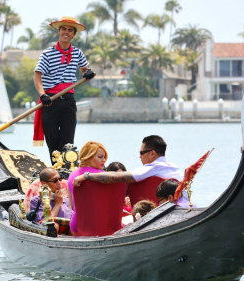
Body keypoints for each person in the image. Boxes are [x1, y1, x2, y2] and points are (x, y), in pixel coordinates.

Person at [32, 16, 94, 162]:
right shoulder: (47, 54)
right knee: (53, 143)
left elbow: (85, 69)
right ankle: (55, 174)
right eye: (64, 29)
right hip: (49, 101)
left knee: (67, 143)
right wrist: (42, 95)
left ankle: (65, 171)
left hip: (68, 102)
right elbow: (37, 75)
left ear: (74, 34)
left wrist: (88, 73)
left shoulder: (77, 53)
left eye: (70, 30)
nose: (66, 32)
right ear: (59, 31)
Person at [72, 135, 188, 202]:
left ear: (152, 154)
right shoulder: (175, 168)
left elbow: (117, 177)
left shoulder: (151, 168)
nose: (139, 156)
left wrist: (87, 175)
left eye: (141, 152)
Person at [67, 141, 108, 234]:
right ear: (88, 157)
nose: (104, 160)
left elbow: (72, 206)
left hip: (76, 224)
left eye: (104, 157)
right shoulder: (102, 176)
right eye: (100, 157)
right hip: (97, 225)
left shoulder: (72, 175)